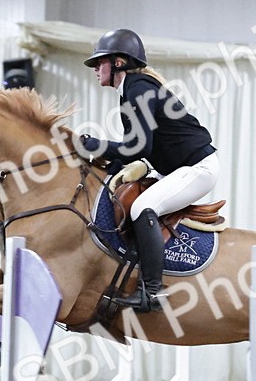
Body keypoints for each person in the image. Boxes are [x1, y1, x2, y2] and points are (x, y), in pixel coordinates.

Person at [77, 28, 219, 313]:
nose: (95, 68)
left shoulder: (138, 88)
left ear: (118, 62)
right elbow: (133, 150)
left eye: (99, 62)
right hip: (176, 169)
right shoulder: (131, 90)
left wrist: (94, 145)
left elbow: (136, 146)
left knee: (143, 207)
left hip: (198, 168)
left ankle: (152, 291)